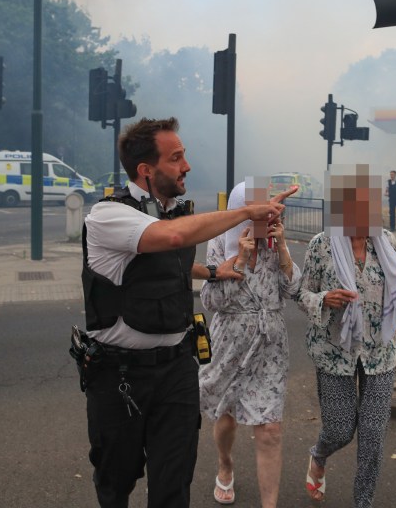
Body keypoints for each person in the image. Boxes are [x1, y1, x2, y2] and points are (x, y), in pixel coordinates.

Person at [79, 117, 294, 508]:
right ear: (146, 170)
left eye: (185, 156)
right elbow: (173, 238)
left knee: (173, 485)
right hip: (120, 374)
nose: (187, 166)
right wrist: (247, 212)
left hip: (177, 369)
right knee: (117, 481)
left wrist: (213, 271)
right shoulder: (106, 216)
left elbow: (171, 259)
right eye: (176, 158)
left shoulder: (177, 212)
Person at [297, 164, 396, 507]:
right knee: (339, 430)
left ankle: (363, 501)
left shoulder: (386, 242)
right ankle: (319, 455)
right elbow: (302, 295)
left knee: (373, 438)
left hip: (380, 353)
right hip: (334, 351)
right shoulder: (322, 246)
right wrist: (324, 299)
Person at [198, 179, 301, 507]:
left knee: (269, 429)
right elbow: (211, 301)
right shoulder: (218, 242)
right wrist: (239, 260)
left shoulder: (273, 239)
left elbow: (293, 290)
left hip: (269, 346)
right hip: (231, 344)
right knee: (226, 419)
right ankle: (225, 463)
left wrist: (283, 248)